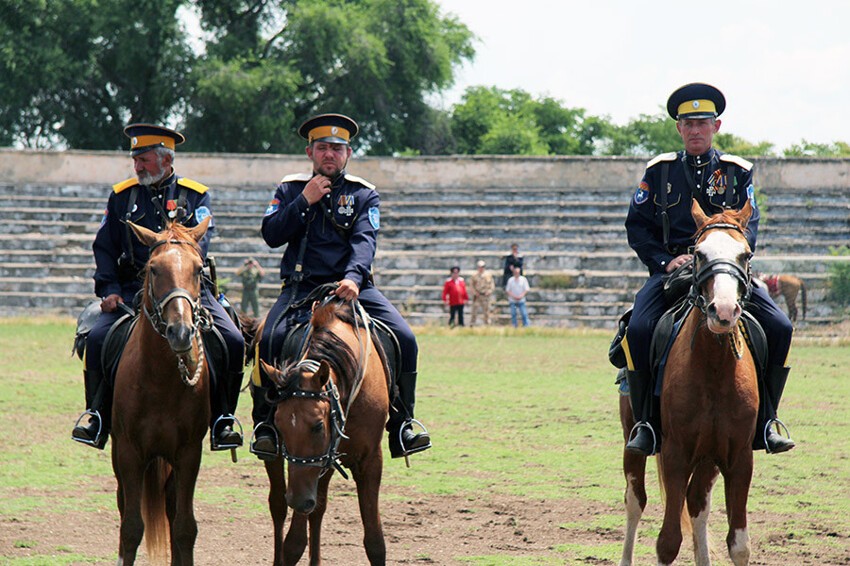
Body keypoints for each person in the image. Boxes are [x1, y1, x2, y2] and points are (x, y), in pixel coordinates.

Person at [623, 83, 795, 456]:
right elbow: (637, 226)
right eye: (688, 123)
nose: (695, 130)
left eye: (702, 123)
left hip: (727, 271)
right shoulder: (659, 172)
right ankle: (647, 424)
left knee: (781, 327)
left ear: (716, 126)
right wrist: (665, 261)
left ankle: (766, 420)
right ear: (679, 128)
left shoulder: (738, 172)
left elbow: (751, 224)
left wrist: (727, 259)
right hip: (672, 270)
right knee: (637, 329)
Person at [251, 113, 431, 460]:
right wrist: (304, 200)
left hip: (352, 287)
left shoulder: (364, 194)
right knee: (269, 339)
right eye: (322, 148)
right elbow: (271, 235)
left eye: (337, 148)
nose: (329, 154)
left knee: (405, 338)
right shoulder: (289, 189)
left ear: (348, 153)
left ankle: (403, 425)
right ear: (310, 153)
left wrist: (353, 276)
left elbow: (365, 239)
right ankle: (266, 425)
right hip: (301, 290)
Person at [71, 123, 245, 451]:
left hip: (186, 286)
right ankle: (97, 415)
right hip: (130, 288)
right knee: (95, 339)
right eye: (136, 160)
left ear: (166, 159)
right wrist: (108, 289)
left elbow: (201, 243)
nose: (138, 166)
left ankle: (223, 419)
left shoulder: (195, 195)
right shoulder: (122, 196)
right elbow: (104, 247)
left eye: (146, 160)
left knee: (233, 341)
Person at [470, 260, 496, 326]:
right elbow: (471, 286)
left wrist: (489, 291)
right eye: (479, 267)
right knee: (474, 312)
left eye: (482, 267)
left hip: (485, 296)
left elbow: (492, 285)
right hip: (477, 296)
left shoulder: (488, 275)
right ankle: (472, 325)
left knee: (486, 312)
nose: (481, 268)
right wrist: (475, 293)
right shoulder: (474, 276)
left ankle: (487, 326)